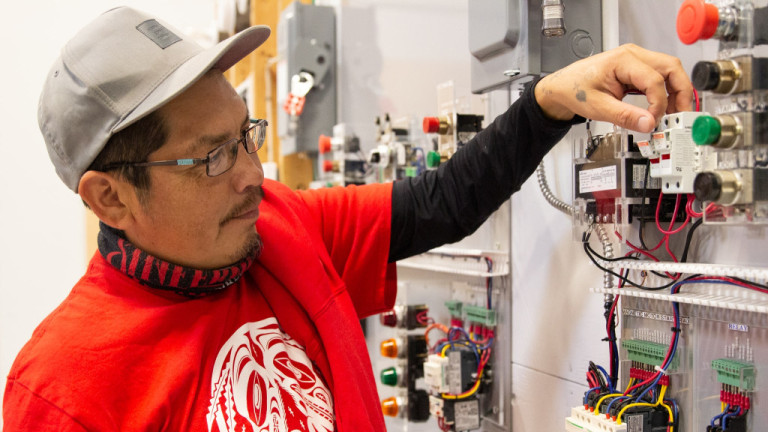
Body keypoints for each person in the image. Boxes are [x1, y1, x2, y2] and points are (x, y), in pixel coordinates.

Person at [2, 6, 692, 432]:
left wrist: (550, 101)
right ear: (109, 198)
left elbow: (440, 203)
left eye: (247, 135)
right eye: (210, 157)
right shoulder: (64, 389)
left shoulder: (277, 228)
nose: (252, 173)